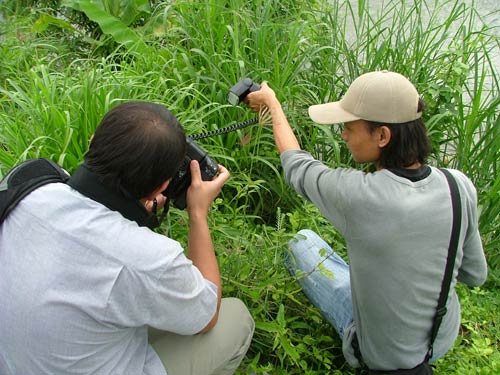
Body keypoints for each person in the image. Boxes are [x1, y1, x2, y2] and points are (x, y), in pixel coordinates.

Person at [245, 71, 487, 372]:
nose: (344, 135)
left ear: (382, 135)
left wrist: (272, 104)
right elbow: (474, 275)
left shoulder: (359, 196)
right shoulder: (458, 185)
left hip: (381, 356)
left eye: (349, 127)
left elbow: (296, 166)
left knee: (302, 243)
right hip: (439, 339)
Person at [0, 101, 254, 375]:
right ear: (162, 187)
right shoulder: (149, 259)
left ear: (93, 141)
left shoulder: (30, 188)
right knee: (235, 318)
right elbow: (207, 315)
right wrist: (197, 215)